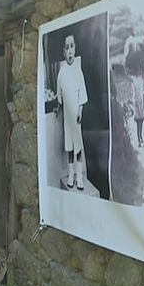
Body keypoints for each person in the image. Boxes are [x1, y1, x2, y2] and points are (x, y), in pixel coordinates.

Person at [57, 34, 88, 191]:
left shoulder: (78, 71)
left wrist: (80, 111)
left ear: (75, 48)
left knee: (78, 146)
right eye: (67, 48)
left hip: (76, 117)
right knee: (69, 146)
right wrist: (58, 107)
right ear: (64, 51)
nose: (70, 50)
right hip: (66, 119)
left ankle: (80, 177)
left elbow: (82, 94)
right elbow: (59, 95)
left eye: (72, 47)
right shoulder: (61, 73)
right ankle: (70, 175)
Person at [124, 21, 144, 147]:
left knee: (140, 110)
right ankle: (139, 138)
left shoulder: (139, 44)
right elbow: (127, 63)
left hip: (137, 78)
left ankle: (140, 137)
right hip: (135, 79)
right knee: (138, 110)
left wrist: (141, 70)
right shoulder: (131, 43)